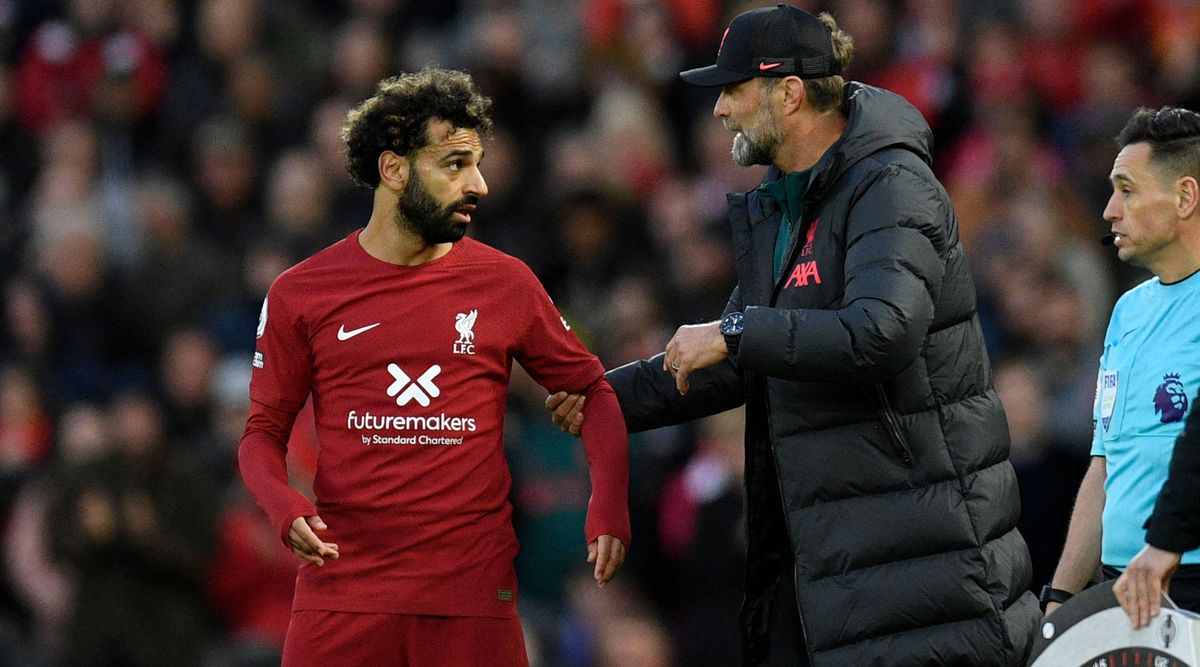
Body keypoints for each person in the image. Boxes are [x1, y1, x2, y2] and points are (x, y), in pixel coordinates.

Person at [549, 6, 1037, 665]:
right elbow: (733, 359)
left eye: (732, 89)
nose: (719, 111)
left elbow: (881, 332)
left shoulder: (890, 184)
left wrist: (735, 333)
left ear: (789, 92)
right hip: (854, 570)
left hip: (935, 569)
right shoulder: (789, 202)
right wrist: (597, 398)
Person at [238, 68, 630, 667]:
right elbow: (261, 434)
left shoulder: (507, 283)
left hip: (471, 600)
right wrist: (282, 504)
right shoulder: (302, 293)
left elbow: (592, 393)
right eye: (454, 164)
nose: (479, 184)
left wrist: (608, 505)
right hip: (345, 597)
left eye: (477, 163)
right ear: (393, 169)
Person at [1047, 106, 1200, 624]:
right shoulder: (1128, 312)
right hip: (1123, 587)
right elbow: (1103, 466)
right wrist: (1061, 601)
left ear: (1184, 197)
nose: (1110, 210)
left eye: (1127, 190)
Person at [1115, 387, 1200, 627]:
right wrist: (1061, 593)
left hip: (1180, 574)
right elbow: (1102, 465)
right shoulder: (1115, 349)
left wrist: (1167, 539)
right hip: (1125, 575)